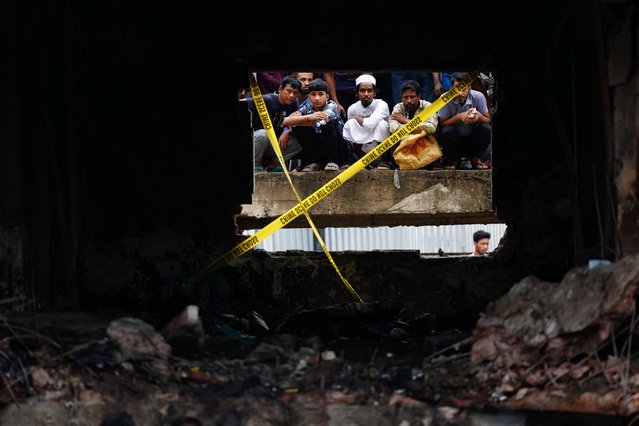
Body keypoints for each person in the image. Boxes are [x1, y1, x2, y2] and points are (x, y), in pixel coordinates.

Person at [283, 78, 352, 171]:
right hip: (322, 147)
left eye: (320, 94)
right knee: (298, 128)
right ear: (309, 96)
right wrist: (308, 118)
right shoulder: (307, 107)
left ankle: (333, 161)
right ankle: (316, 162)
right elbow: (286, 121)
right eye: (313, 94)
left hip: (341, 149)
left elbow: (322, 122)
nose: (317, 98)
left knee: (327, 125)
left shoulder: (332, 105)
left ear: (327, 96)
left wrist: (298, 121)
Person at [246, 75, 303, 172]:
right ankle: (256, 166)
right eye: (289, 91)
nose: (291, 96)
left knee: (302, 138)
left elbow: (296, 120)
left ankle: (274, 163)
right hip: (258, 142)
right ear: (280, 88)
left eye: (295, 93)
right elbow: (244, 103)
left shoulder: (294, 102)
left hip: (277, 143)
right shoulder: (267, 99)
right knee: (262, 134)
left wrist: (286, 131)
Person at [437, 72, 492, 170]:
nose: (460, 93)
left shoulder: (478, 96)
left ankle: (476, 159)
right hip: (454, 141)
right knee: (446, 131)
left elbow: (487, 119)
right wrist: (459, 117)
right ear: (451, 89)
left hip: (472, 139)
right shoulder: (445, 99)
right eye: (456, 89)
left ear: (469, 88)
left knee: (486, 128)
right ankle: (453, 159)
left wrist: (479, 117)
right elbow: (441, 124)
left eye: (463, 89)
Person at [342, 74, 391, 169]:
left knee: (382, 124)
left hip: (381, 149)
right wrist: (355, 120)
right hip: (363, 150)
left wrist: (357, 118)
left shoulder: (381, 104)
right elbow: (351, 134)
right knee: (350, 124)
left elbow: (370, 124)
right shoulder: (352, 108)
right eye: (362, 91)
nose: (366, 94)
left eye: (369, 90)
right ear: (357, 93)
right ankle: (363, 162)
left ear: (374, 93)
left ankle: (385, 162)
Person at [388, 79, 439, 169]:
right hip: (404, 141)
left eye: (412, 97)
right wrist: (417, 130)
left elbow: (432, 127)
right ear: (401, 97)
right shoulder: (398, 107)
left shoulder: (428, 106)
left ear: (419, 96)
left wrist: (406, 121)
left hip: (423, 142)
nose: (409, 101)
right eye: (406, 97)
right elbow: (393, 128)